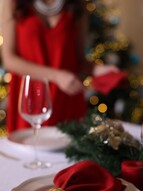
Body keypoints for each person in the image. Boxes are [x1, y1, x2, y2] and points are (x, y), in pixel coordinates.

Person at [1, 0, 119, 133]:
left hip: (66, 100)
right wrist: (56, 76)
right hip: (31, 97)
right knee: (29, 150)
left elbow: (78, 60)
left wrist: (98, 69)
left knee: (68, 149)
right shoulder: (14, 3)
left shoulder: (78, 6)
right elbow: (9, 60)